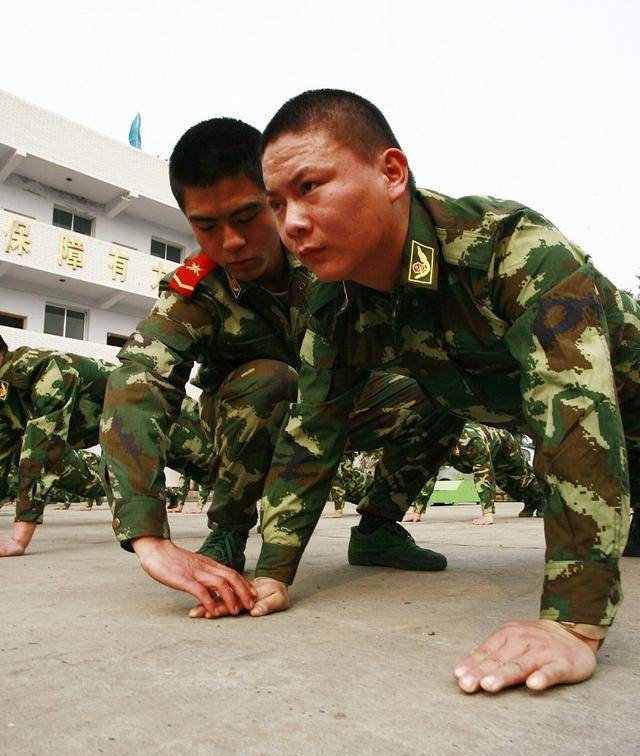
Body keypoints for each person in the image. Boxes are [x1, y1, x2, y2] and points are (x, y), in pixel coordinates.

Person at [249, 87, 640, 694]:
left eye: (310, 187)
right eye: (276, 204)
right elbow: (311, 433)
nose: (291, 223)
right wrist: (271, 574)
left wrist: (573, 621)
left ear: (391, 173)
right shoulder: (338, 306)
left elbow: (576, 412)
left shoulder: (514, 250)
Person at [100, 117, 458, 620]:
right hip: (239, 429)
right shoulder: (197, 294)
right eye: (207, 226)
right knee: (270, 377)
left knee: (439, 387)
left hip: (331, 409)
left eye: (247, 216)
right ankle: (227, 532)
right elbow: (137, 385)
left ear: (274, 198)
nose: (231, 242)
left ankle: (380, 526)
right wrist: (149, 539)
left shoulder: (326, 251)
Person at [0, 339, 113, 556]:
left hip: (159, 411)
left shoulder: (43, 369)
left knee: (198, 463)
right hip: (117, 435)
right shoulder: (4, 392)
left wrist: (18, 539)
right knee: (106, 484)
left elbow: (42, 449)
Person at [406, 423, 545, 525]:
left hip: (504, 446)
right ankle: (530, 502)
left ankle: (543, 501)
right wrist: (417, 511)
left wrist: (487, 514)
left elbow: (483, 474)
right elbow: (429, 477)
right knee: (504, 482)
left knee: (522, 476)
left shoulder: (472, 441)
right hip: (486, 449)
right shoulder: (439, 446)